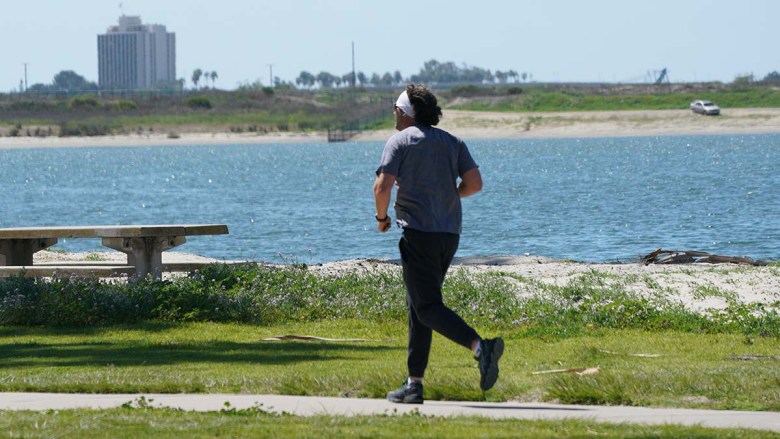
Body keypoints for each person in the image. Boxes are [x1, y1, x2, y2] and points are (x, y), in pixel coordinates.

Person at [373, 84, 504, 404]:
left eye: (395, 108)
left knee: (427, 306)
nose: (393, 113)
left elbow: (382, 186)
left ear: (404, 113)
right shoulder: (452, 141)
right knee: (419, 307)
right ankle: (413, 384)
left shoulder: (399, 141)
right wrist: (448, 195)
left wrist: (381, 218)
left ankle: (479, 347)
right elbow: (474, 184)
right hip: (449, 234)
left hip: (418, 233)